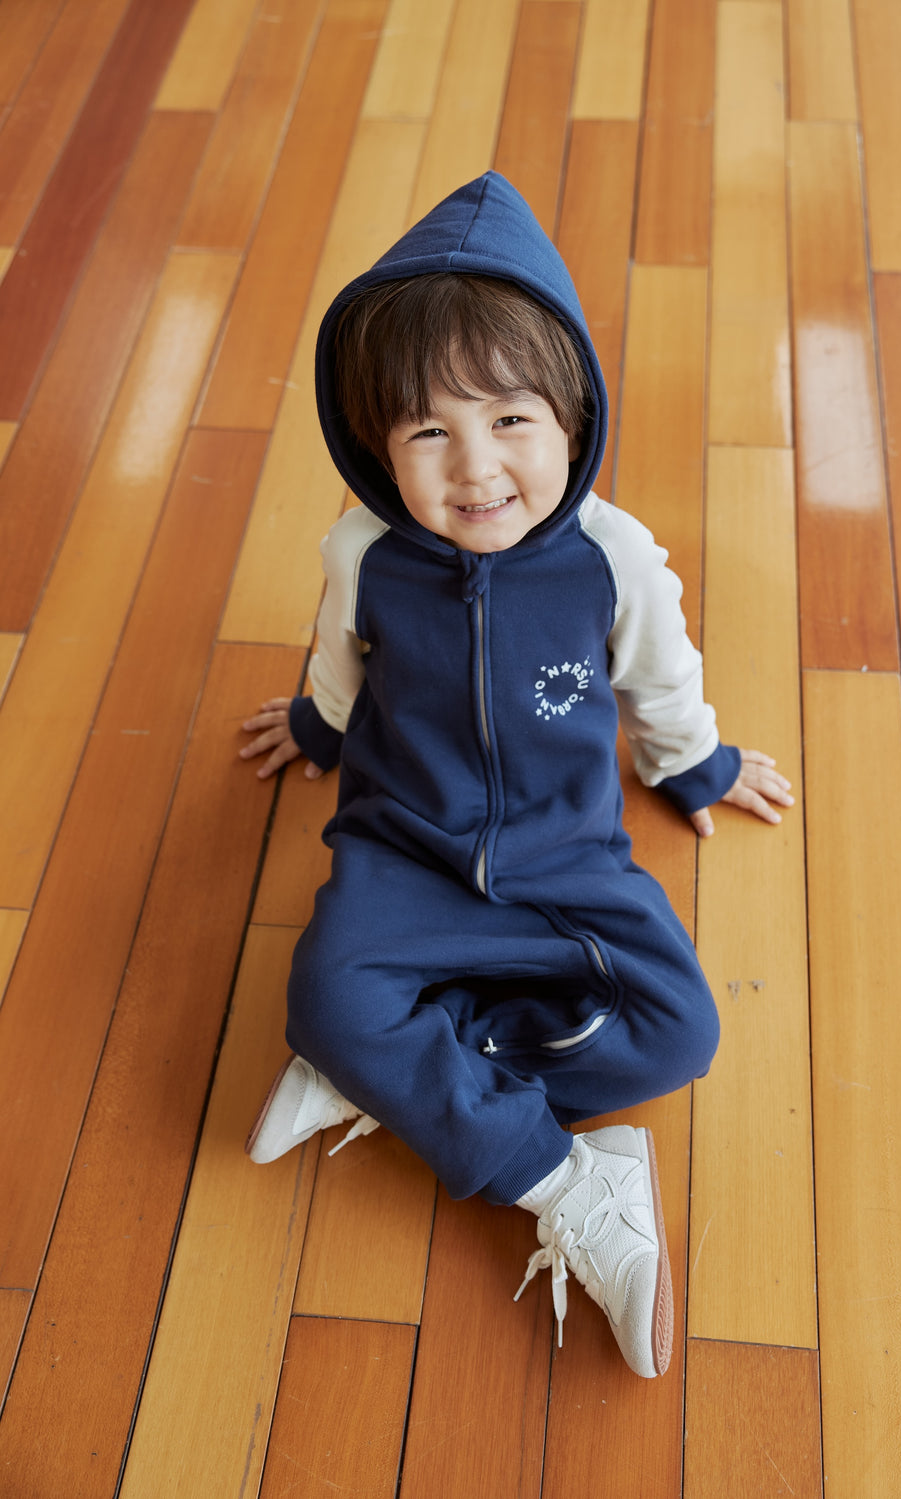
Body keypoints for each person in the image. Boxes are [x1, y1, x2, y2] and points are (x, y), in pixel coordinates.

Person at [240, 172, 792, 1379]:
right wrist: (318, 728)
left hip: (563, 856)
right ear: (378, 447)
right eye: (428, 432)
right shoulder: (363, 551)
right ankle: (572, 1181)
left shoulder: (611, 556)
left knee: (679, 1029)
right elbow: (340, 660)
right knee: (324, 997)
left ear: (572, 418)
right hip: (402, 848)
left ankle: (402, 1071)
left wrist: (694, 763)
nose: (475, 467)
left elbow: (661, 675)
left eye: (509, 420)